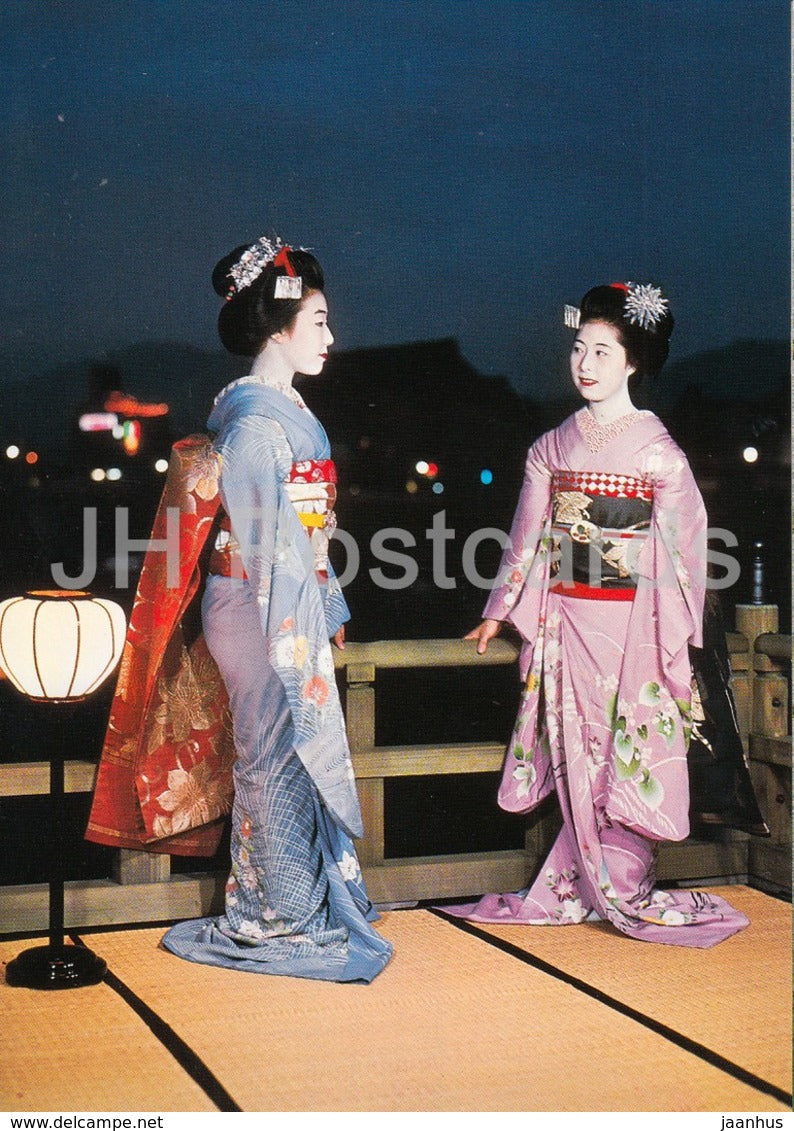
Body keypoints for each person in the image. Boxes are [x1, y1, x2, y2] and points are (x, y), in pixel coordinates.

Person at [86, 236, 392, 983]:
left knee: (281, 747)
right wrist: (319, 600)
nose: (330, 337)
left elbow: (304, 535)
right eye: (319, 321)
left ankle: (292, 897)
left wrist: (327, 594)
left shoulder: (272, 407)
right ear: (280, 325)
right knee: (272, 752)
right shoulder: (255, 423)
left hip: (270, 593)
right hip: (258, 599)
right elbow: (272, 541)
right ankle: (277, 910)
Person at [447, 282, 763, 947]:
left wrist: (667, 628)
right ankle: (594, 885)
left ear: (632, 362)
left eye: (601, 350)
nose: (584, 363)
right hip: (566, 621)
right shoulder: (552, 448)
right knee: (581, 753)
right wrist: (501, 610)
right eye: (578, 348)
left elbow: (683, 554)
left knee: (629, 753)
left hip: (633, 628)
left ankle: (620, 884)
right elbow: (528, 536)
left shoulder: (659, 454)